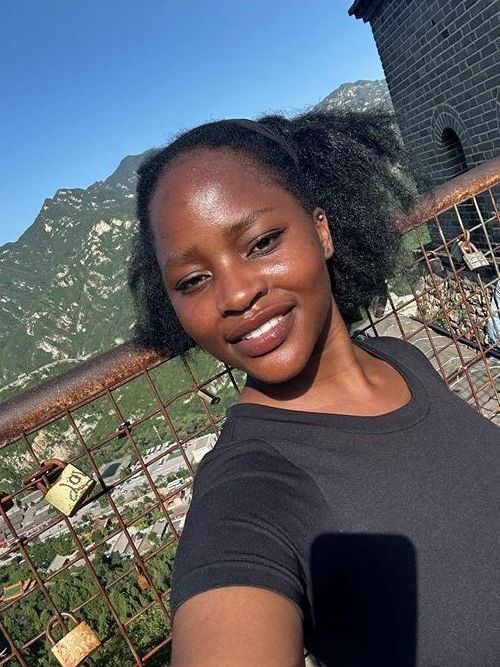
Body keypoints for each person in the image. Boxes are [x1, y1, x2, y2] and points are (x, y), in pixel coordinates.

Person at [128, 111, 500, 667]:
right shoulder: (248, 492)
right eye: (193, 280)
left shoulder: (401, 361)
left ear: (322, 230)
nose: (235, 294)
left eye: (261, 242)